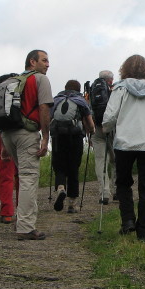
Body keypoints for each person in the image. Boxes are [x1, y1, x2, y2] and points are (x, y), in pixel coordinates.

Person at [102, 54, 145, 242]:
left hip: (124, 143)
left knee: (123, 183)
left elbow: (109, 117)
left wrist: (106, 128)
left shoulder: (120, 89)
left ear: (125, 70)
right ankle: (144, 232)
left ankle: (128, 220)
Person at [0, 50, 54, 241]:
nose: (48, 64)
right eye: (44, 60)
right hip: (27, 133)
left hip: (7, 133)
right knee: (29, 177)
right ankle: (25, 227)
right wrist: (45, 137)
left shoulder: (12, 81)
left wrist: (4, 144)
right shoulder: (40, 80)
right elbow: (44, 107)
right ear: (33, 62)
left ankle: (21, 220)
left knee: (22, 176)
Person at [50, 79, 95, 214]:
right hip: (75, 138)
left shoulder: (56, 100)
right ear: (79, 89)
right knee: (73, 168)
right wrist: (90, 134)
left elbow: (48, 118)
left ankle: (61, 188)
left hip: (58, 137)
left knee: (59, 167)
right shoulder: (80, 101)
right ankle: (72, 204)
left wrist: (46, 135)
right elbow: (90, 124)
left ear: (65, 88)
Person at [0, 73, 19, 225]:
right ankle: (22, 211)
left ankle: (7, 213)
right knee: (21, 175)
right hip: (21, 135)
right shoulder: (18, 90)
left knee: (5, 175)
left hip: (1, 136)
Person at [89, 70, 116, 205]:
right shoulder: (113, 90)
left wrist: (89, 132)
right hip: (111, 128)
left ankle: (104, 193)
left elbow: (87, 111)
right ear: (110, 80)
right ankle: (116, 190)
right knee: (115, 159)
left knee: (100, 161)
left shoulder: (91, 89)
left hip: (96, 128)